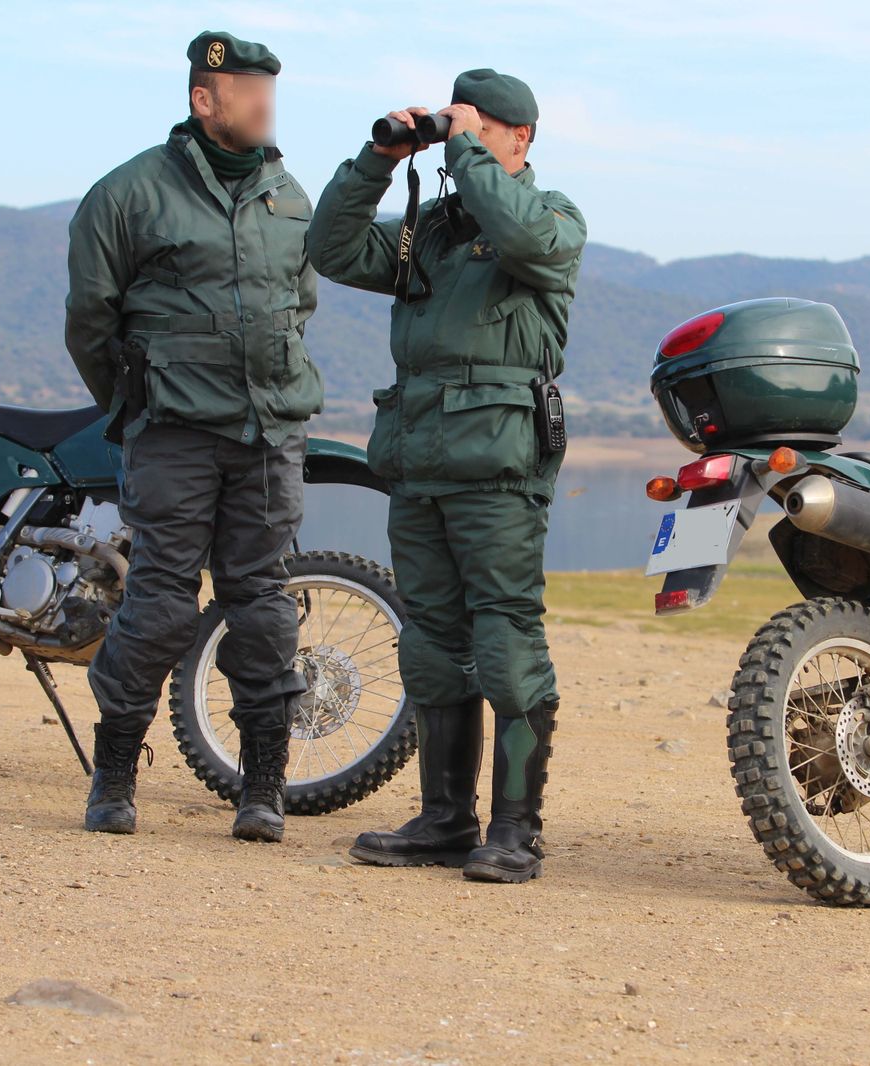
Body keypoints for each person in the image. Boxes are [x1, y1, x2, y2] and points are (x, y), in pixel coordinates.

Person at [306, 69, 585, 882]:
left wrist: (464, 150)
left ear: (519, 139)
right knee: (430, 641)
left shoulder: (550, 218)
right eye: (457, 124)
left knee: (504, 636)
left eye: (480, 125)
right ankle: (444, 821)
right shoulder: (426, 235)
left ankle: (515, 829)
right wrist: (379, 158)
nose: (462, 136)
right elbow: (329, 248)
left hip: (498, 465)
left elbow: (525, 234)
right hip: (418, 458)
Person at [63, 30, 323, 841]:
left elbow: (299, 303)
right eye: (246, 92)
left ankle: (263, 790)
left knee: (263, 610)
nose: (262, 105)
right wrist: (137, 404)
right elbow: (89, 322)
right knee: (160, 606)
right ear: (203, 99)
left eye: (267, 93)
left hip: (268, 433)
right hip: (172, 433)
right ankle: (112, 781)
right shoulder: (130, 193)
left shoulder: (288, 194)